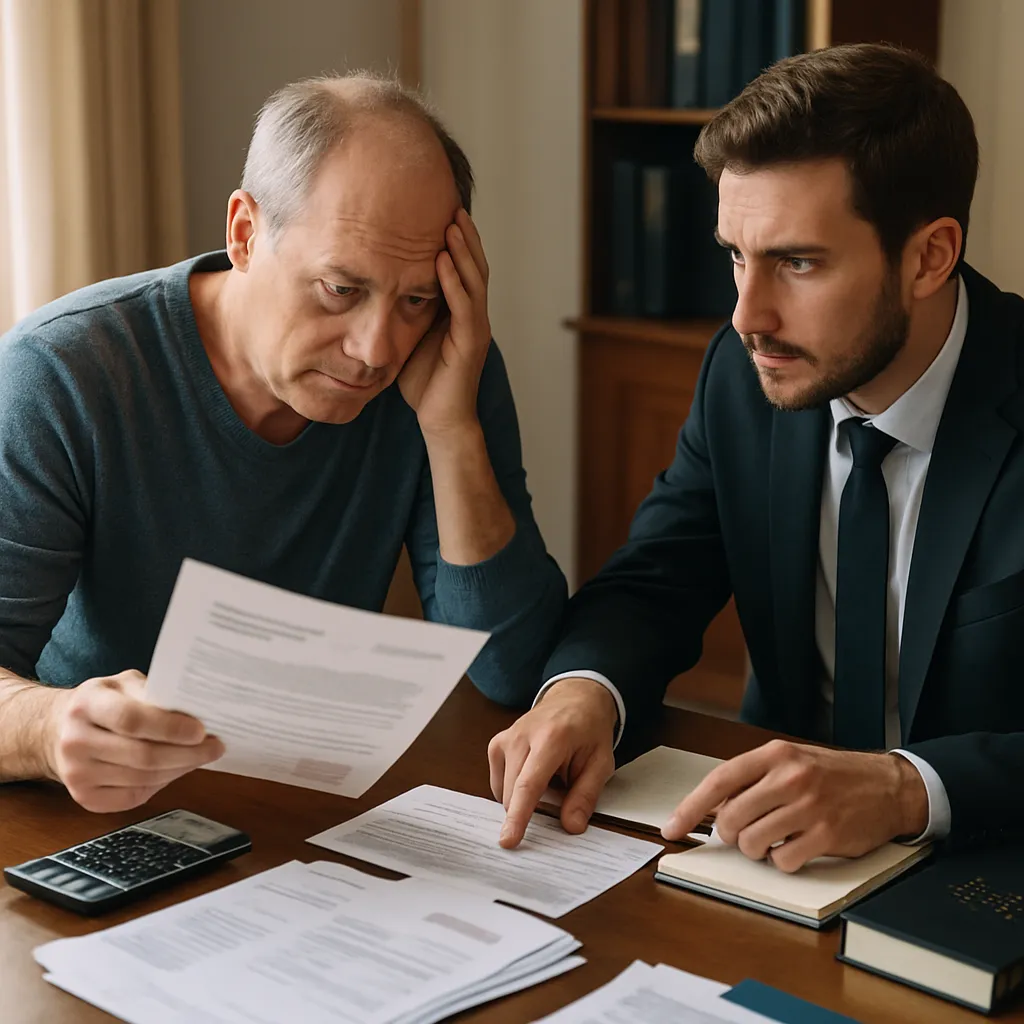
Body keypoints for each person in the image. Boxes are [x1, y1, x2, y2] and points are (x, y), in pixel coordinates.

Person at [490, 43, 1024, 867]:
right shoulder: (746, 379)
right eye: (736, 256)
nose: (747, 316)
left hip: (986, 860)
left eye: (797, 263)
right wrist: (581, 693)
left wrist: (905, 788)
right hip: (773, 855)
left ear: (929, 256)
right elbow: (655, 578)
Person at [0, 73, 566, 813]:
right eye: (340, 288)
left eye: (417, 298)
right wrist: (50, 729)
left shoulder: (442, 364)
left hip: (304, 807)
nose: (374, 349)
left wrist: (451, 427)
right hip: (91, 813)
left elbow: (511, 668)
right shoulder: (64, 371)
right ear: (244, 233)